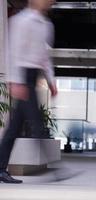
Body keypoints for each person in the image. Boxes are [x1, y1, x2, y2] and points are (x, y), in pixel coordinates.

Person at [0, 0, 57, 183]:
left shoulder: (47, 25)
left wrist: (51, 81)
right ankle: (58, 171)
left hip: (32, 77)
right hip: (22, 75)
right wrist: (15, 81)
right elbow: (13, 52)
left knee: (14, 127)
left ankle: (0, 169)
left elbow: (44, 56)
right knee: (36, 123)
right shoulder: (20, 21)